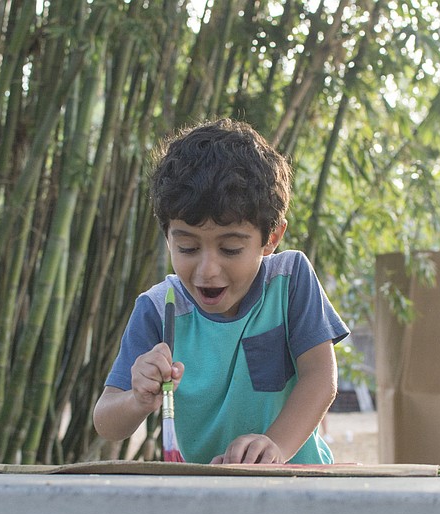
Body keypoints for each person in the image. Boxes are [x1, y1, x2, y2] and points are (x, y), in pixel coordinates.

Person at [93, 119, 350, 464]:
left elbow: (320, 378)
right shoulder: (158, 309)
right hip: (207, 495)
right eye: (187, 248)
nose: (207, 270)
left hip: (295, 483)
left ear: (271, 238)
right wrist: (137, 399)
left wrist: (274, 447)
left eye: (230, 249)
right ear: (167, 236)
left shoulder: (290, 280)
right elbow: (106, 420)